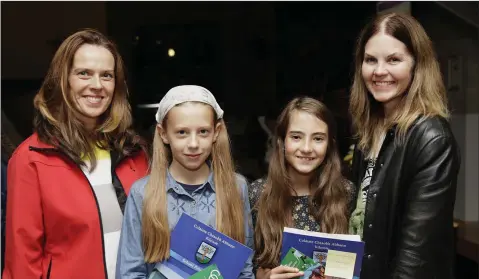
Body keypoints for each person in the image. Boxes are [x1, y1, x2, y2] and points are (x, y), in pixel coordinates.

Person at [2, 29, 149, 279]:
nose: (97, 85)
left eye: (107, 76)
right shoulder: (31, 159)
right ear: (63, 80)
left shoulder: (134, 153)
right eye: (84, 73)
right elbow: (22, 263)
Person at [348, 13, 460, 278]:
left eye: (394, 60)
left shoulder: (432, 137)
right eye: (370, 60)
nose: (379, 71)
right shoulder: (370, 130)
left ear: (416, 65)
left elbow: (415, 255)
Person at [116, 85, 254, 279]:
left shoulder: (236, 188)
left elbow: (244, 269)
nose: (193, 144)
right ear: (163, 133)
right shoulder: (142, 193)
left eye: (203, 131)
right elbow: (130, 273)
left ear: (217, 131)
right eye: (182, 132)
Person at [250, 97, 353, 279]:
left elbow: (356, 263)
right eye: (296, 137)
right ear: (281, 141)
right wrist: (265, 277)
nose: (306, 148)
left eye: (318, 138)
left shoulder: (345, 192)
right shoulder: (257, 193)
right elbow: (244, 267)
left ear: (330, 144)